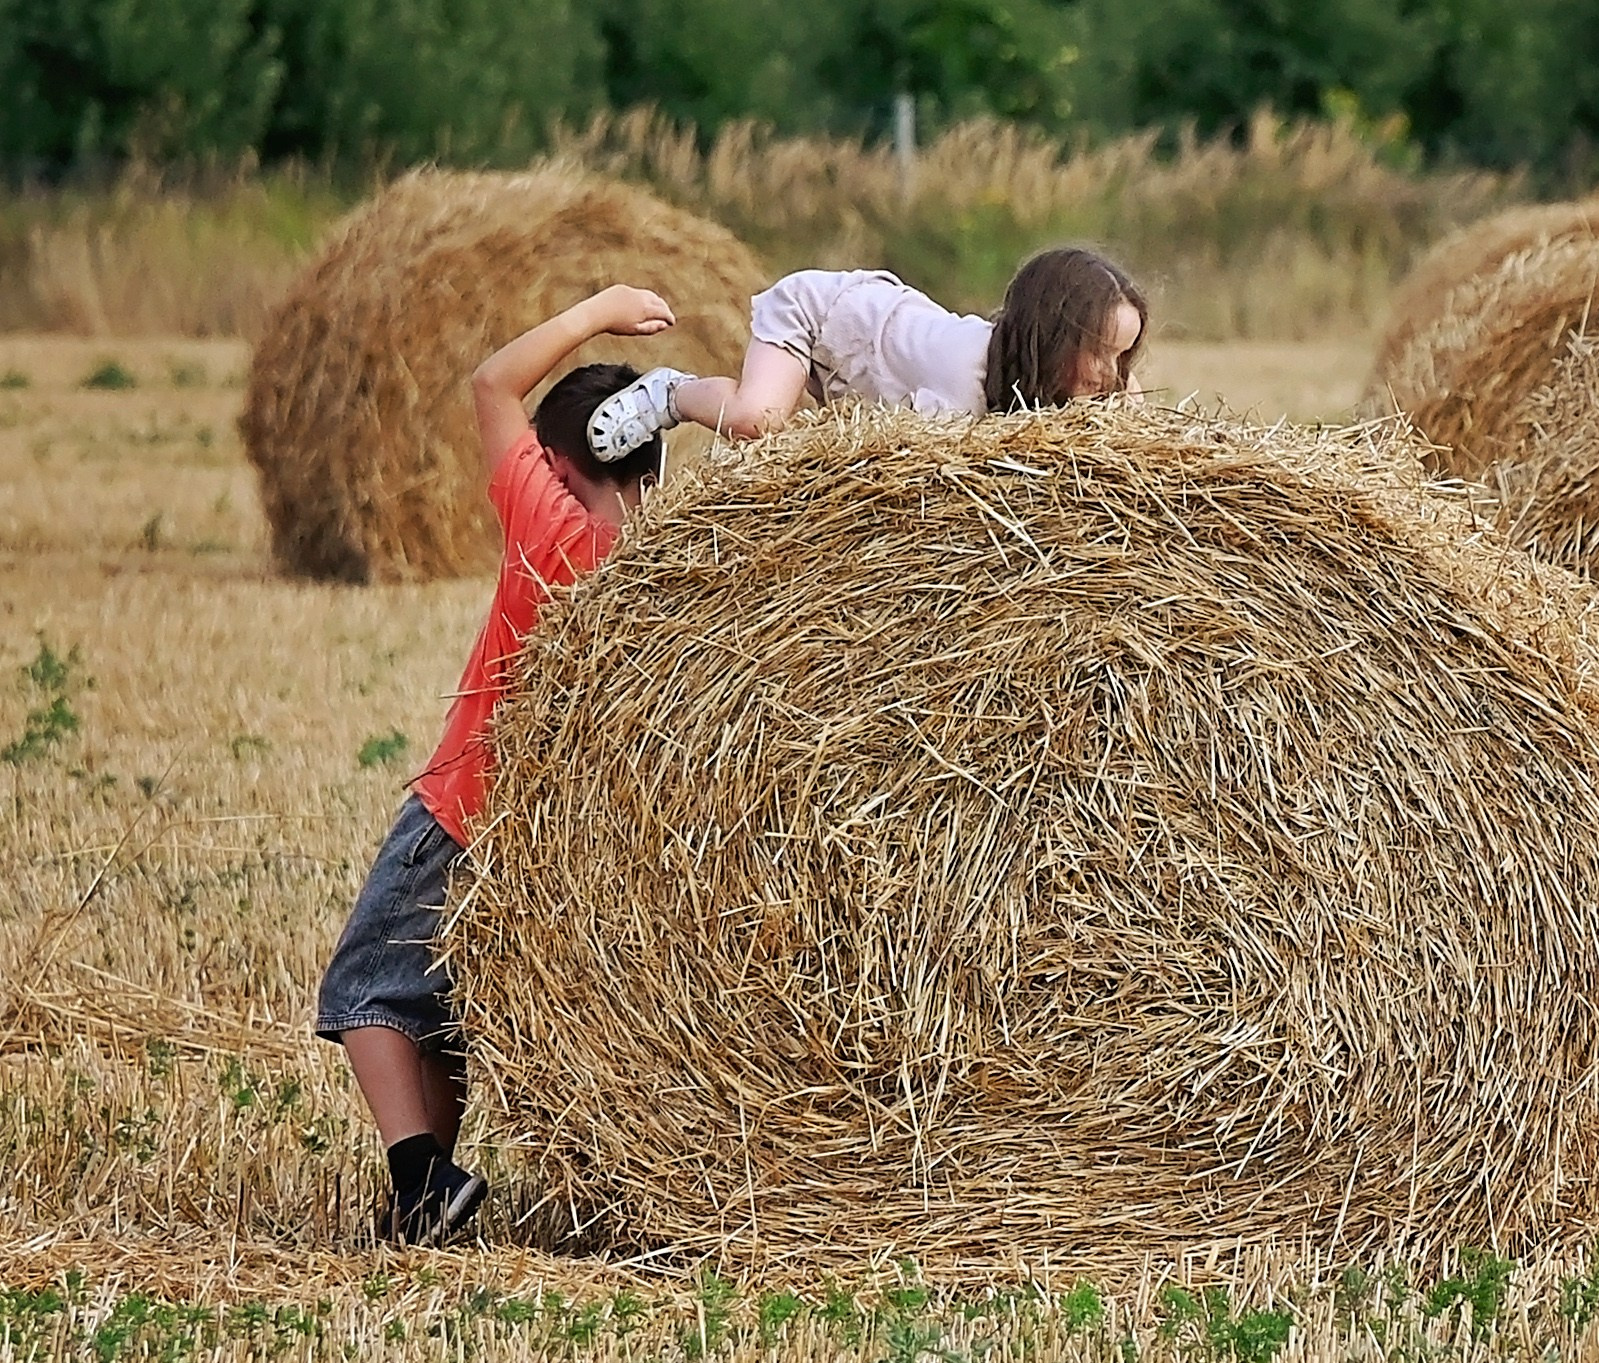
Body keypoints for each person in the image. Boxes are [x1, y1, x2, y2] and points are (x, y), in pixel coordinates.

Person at [315, 284, 674, 1244]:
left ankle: (421, 1174)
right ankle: (423, 1209)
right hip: (542, 842)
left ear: (559, 464)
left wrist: (598, 310)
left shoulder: (549, 532)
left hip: (460, 809)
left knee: (363, 992)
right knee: (444, 1012)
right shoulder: (651, 577)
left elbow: (489, 381)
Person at [585, 246, 1147, 459]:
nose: (1111, 373)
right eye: (1101, 353)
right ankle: (673, 393)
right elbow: (901, 456)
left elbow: (1132, 417)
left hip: (874, 342)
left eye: (1122, 356)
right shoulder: (961, 383)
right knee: (759, 420)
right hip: (819, 318)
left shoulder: (1048, 375)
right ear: (1050, 339)